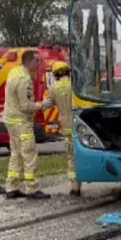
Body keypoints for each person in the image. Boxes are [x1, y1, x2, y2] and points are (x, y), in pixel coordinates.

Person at [3, 50, 49, 199]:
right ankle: (32, 189)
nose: (39, 64)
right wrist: (42, 105)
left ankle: (12, 187)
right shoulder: (25, 80)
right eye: (37, 61)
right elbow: (26, 106)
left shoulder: (13, 72)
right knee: (29, 154)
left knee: (15, 154)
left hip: (10, 120)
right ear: (29, 62)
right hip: (21, 122)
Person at [44, 61, 79, 196]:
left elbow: (47, 104)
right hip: (79, 123)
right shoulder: (75, 85)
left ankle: (74, 186)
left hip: (66, 126)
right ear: (67, 71)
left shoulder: (53, 88)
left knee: (71, 156)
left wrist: (34, 107)